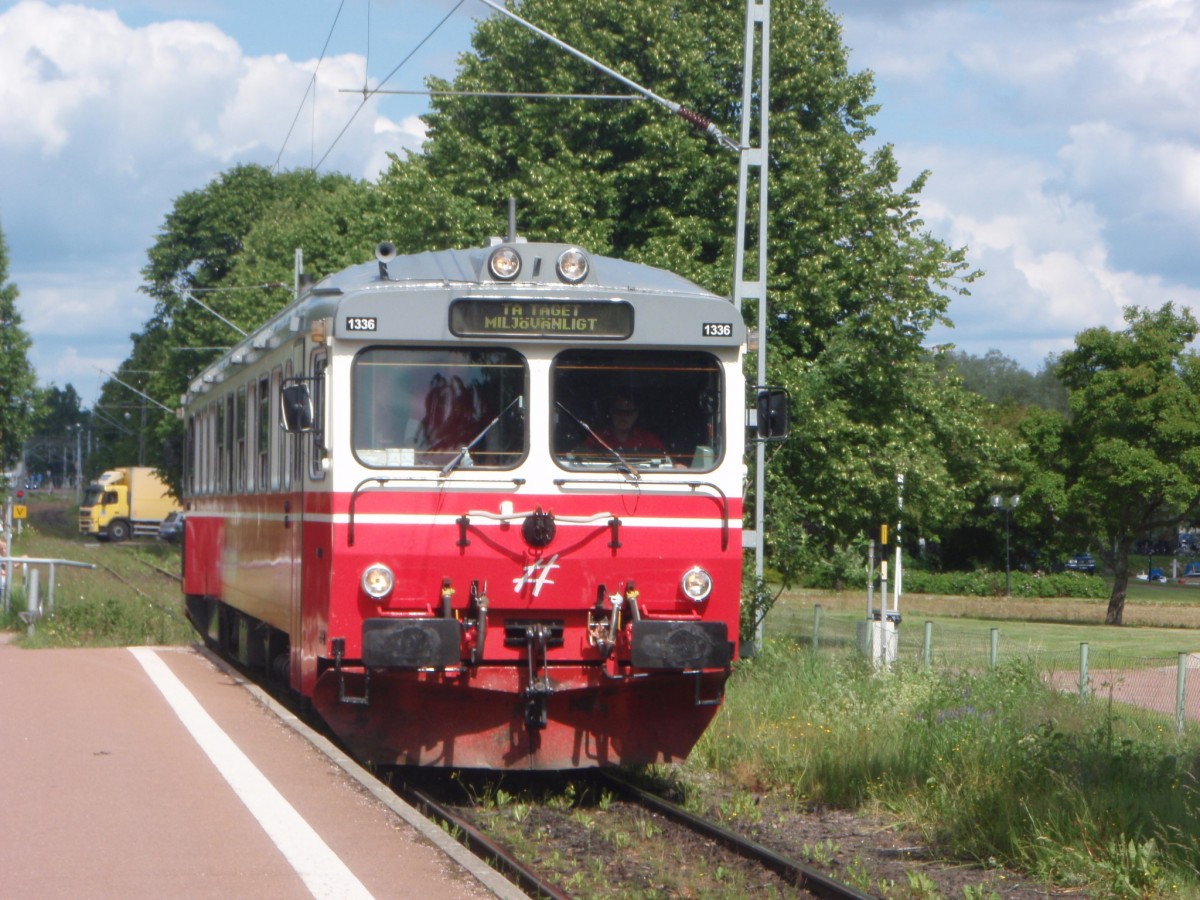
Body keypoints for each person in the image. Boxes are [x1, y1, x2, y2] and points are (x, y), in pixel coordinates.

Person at [581, 394, 668, 457]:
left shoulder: (650, 439)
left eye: (628, 413)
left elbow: (667, 464)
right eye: (618, 412)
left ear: (636, 414)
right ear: (611, 412)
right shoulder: (595, 438)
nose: (622, 417)